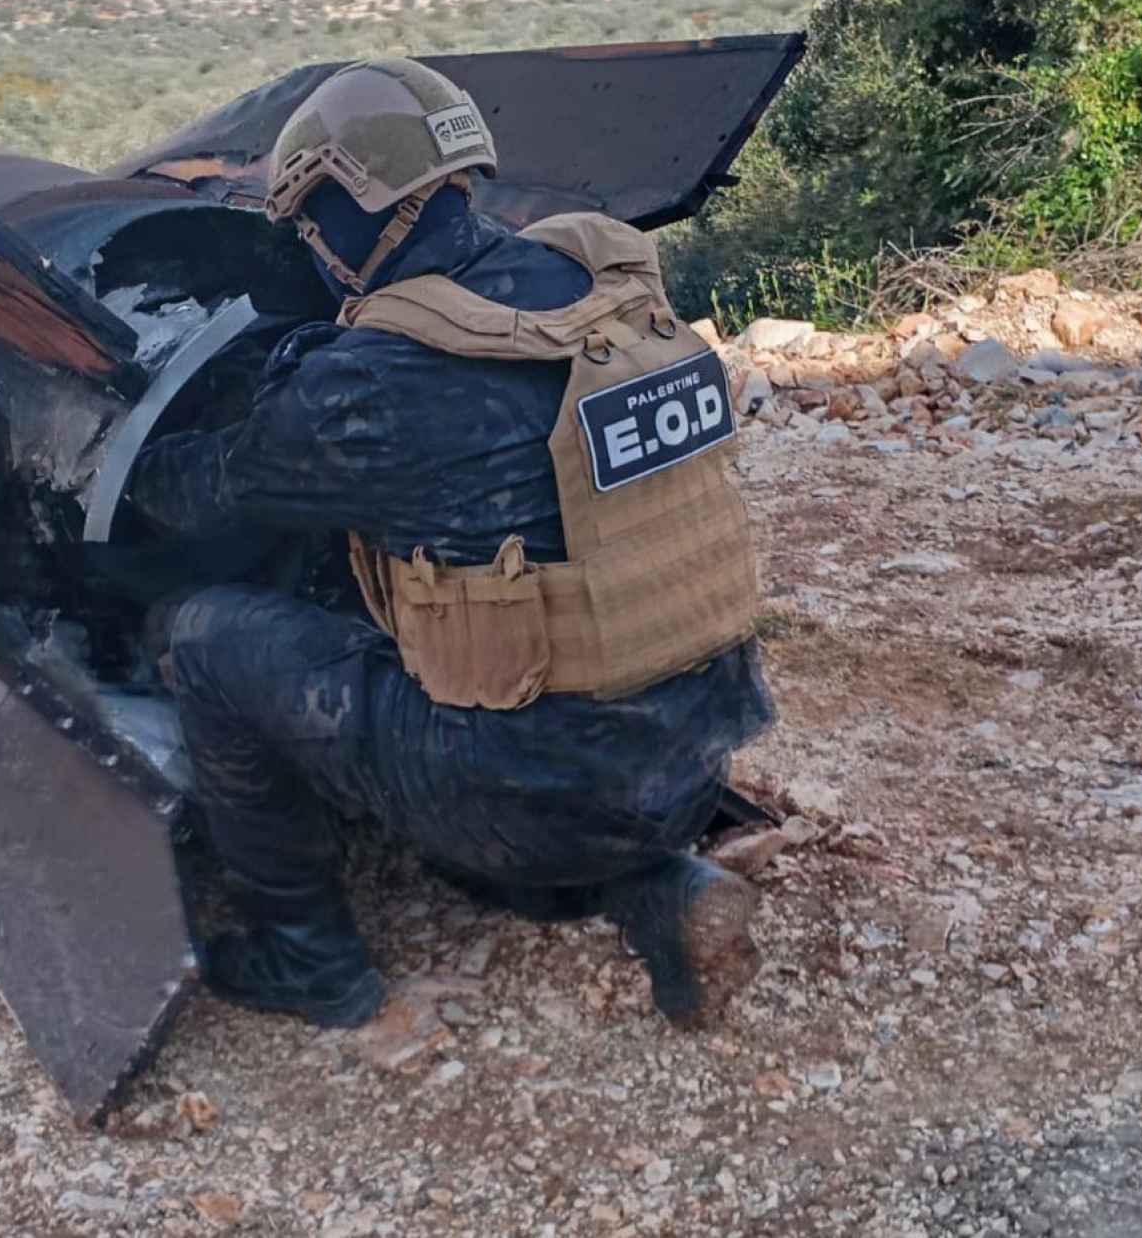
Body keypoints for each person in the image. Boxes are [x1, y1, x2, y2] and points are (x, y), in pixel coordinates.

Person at [129, 58, 775, 1031]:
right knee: (477, 631)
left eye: (309, 219)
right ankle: (657, 887)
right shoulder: (606, 285)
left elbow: (198, 492)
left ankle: (308, 956)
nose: (311, 245)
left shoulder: (376, 376)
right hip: (694, 759)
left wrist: (98, 446)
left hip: (527, 798)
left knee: (200, 636)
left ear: (349, 202)